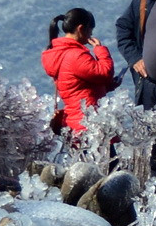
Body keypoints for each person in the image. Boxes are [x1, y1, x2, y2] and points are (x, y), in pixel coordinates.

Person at [42, 8, 119, 136]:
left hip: (74, 123)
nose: (90, 35)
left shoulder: (59, 53)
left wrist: (106, 87)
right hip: (88, 124)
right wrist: (100, 50)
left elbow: (78, 86)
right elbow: (104, 73)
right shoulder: (76, 55)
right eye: (90, 30)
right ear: (81, 28)